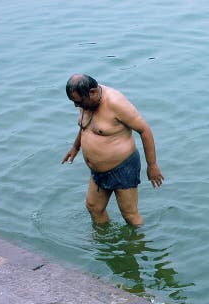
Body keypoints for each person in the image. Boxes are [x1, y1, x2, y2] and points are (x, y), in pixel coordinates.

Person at [61, 74, 164, 226]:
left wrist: (152, 165)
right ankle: (103, 243)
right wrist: (76, 147)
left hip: (123, 167)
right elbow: (86, 126)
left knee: (129, 215)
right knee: (94, 207)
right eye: (74, 102)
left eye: (78, 102)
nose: (77, 106)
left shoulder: (115, 103)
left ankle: (137, 246)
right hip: (98, 171)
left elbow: (145, 130)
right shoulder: (86, 102)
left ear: (93, 92)